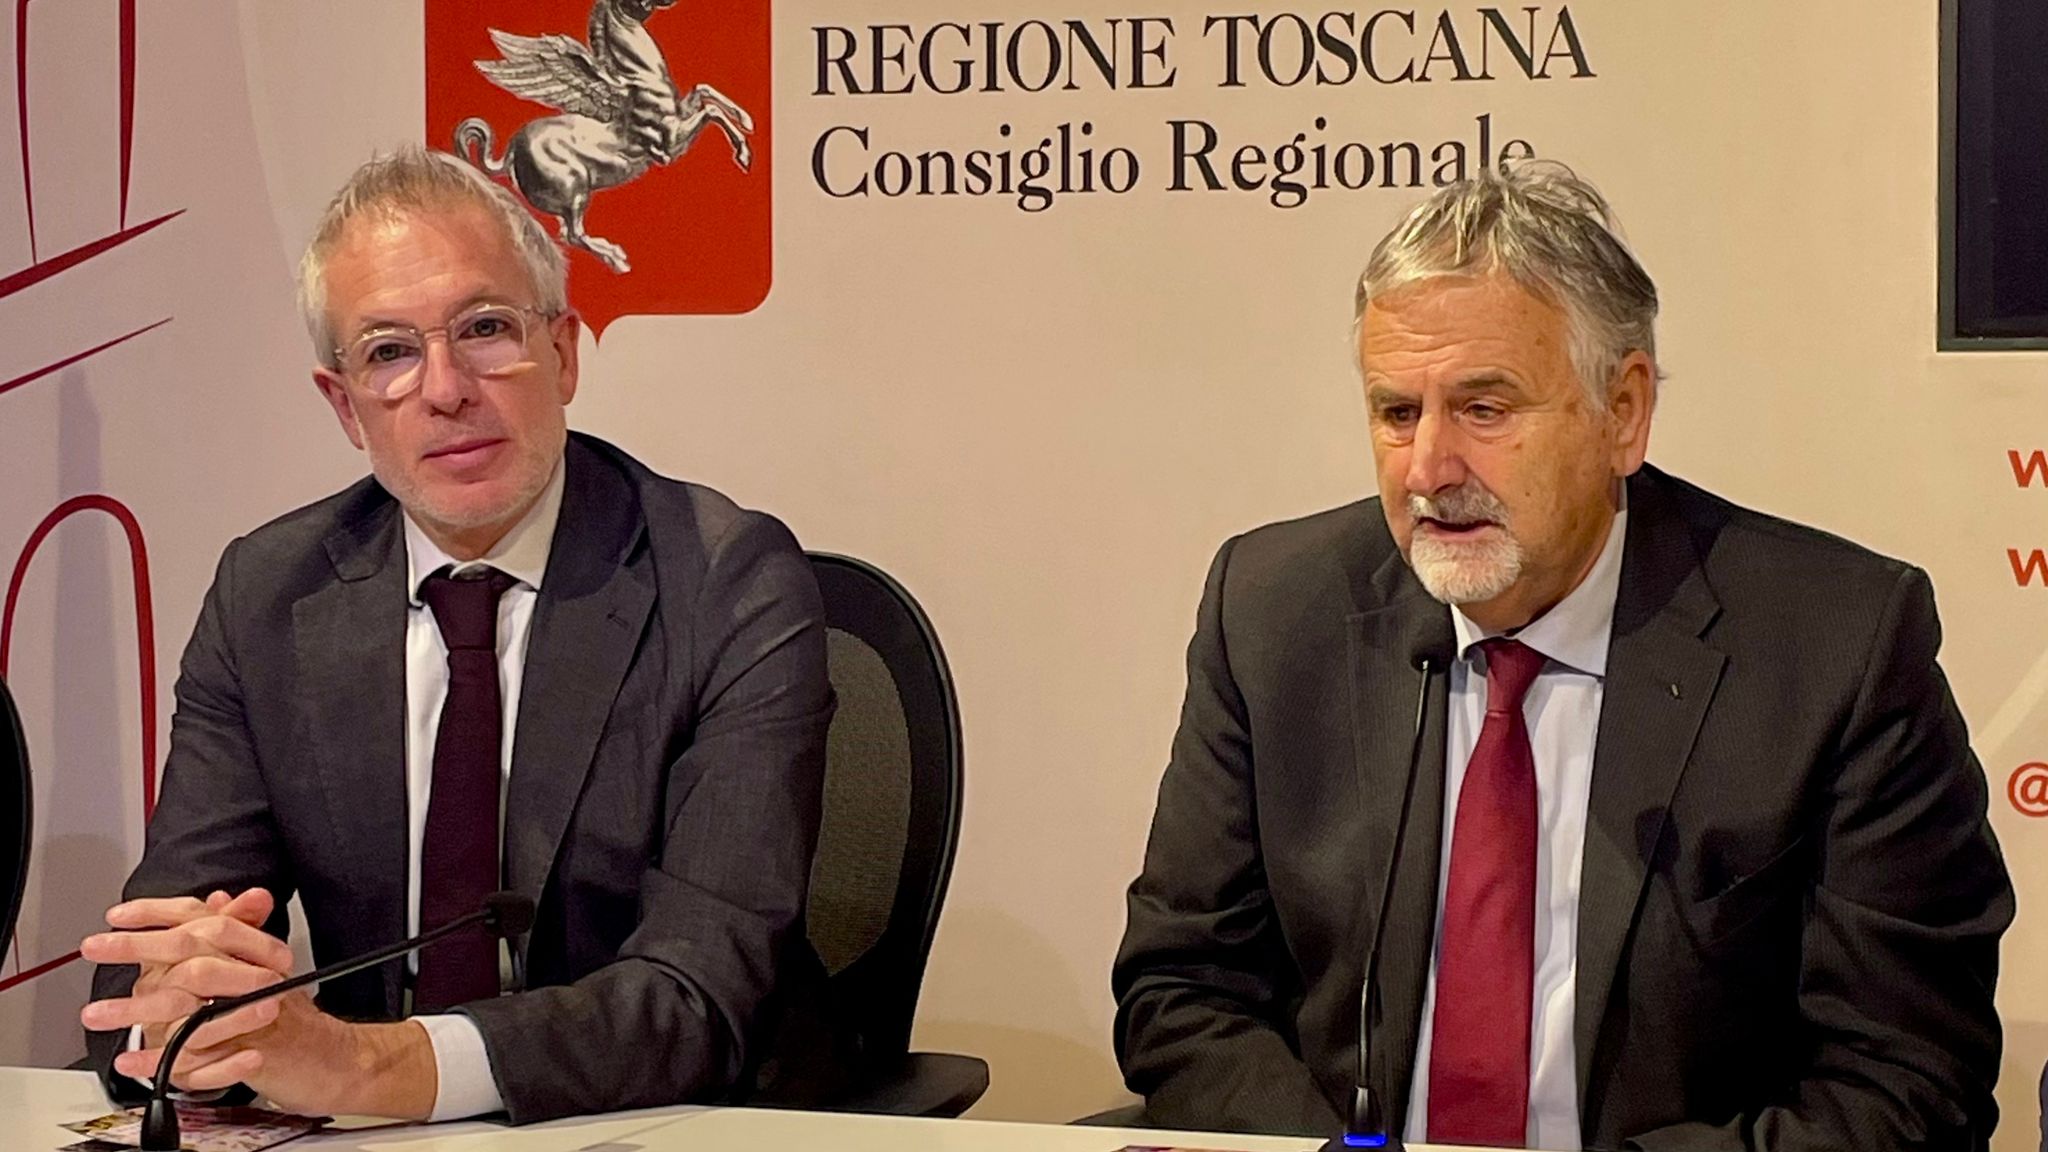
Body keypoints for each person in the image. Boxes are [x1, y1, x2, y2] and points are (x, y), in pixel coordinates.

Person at [1112, 161, 2014, 1150]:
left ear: (1622, 412)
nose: (1427, 469)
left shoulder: (1834, 644)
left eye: (1484, 409)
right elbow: (1181, 990)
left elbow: (1908, 1078)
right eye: (1397, 412)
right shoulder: (1273, 612)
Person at [77, 145, 833, 1125]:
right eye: (389, 352)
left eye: (484, 329)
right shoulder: (268, 597)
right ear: (345, 405)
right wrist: (182, 1009)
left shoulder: (725, 581)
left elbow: (700, 994)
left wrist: (362, 1067)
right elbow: (156, 947)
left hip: (670, 1125)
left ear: (562, 353)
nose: (445, 389)